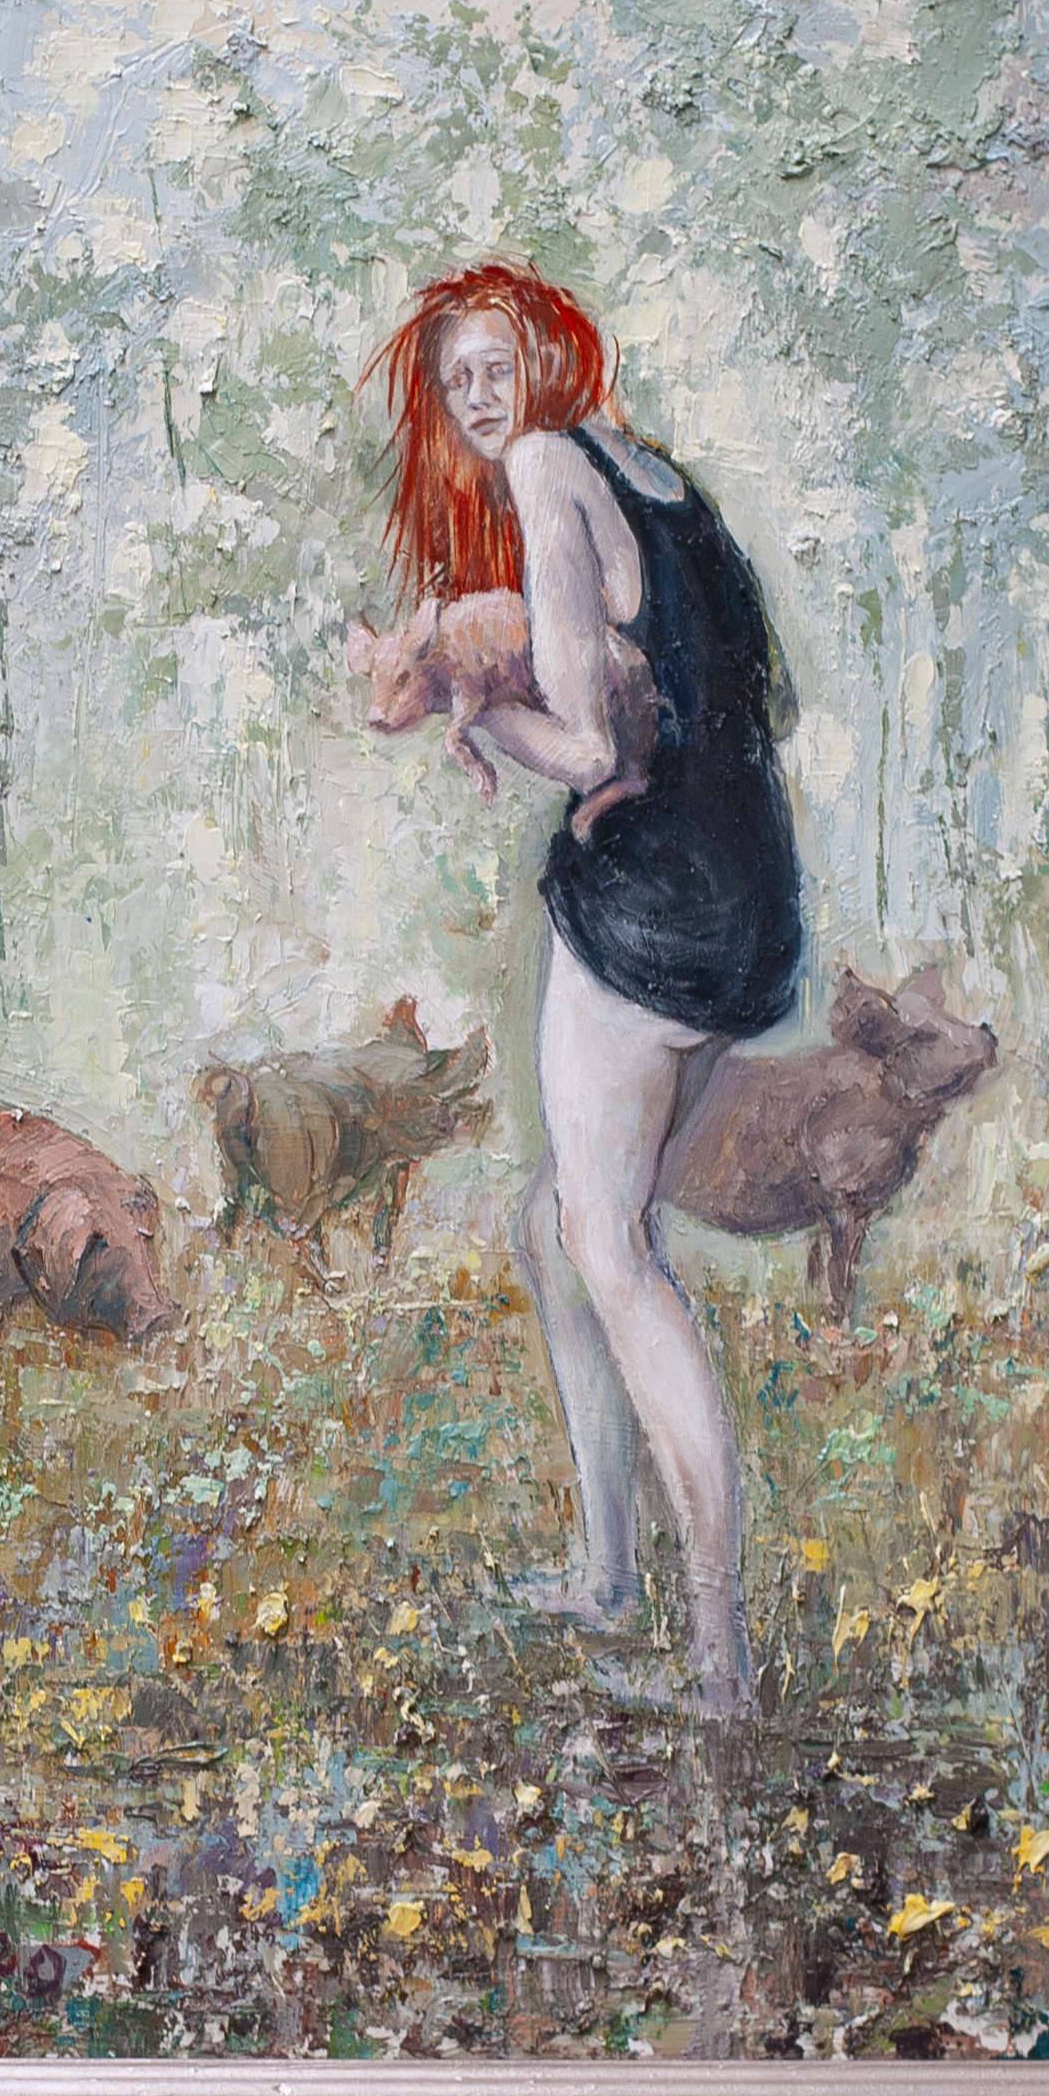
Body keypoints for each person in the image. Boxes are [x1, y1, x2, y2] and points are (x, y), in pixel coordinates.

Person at [367, 261, 803, 1712]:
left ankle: (717, 1655)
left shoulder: (550, 468)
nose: (481, 399)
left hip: (648, 903)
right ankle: (610, 1574)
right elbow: (743, 692)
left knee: (608, 1247)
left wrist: (468, 701)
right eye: (458, 382)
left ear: (551, 354)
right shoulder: (655, 475)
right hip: (747, 891)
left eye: (497, 364)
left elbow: (588, 752)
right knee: (552, 1228)